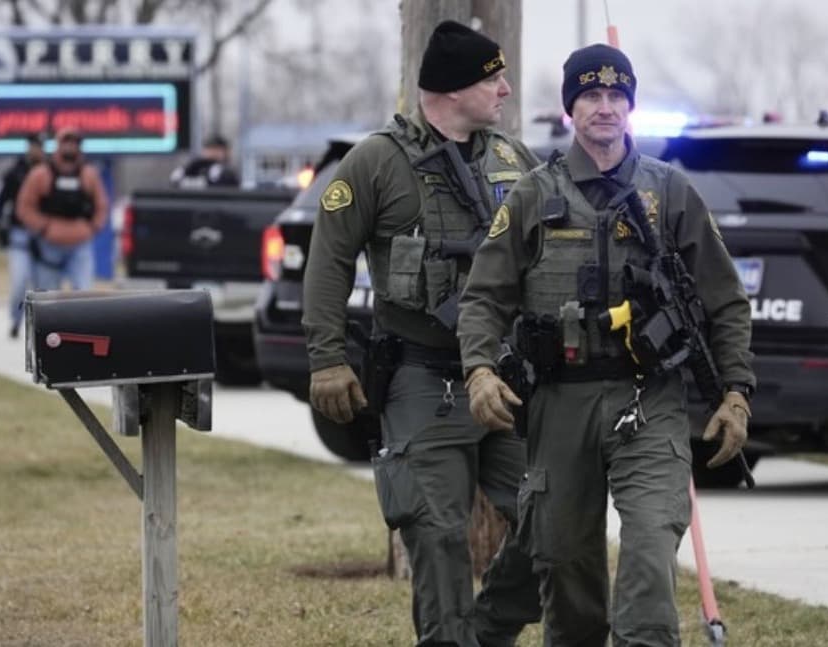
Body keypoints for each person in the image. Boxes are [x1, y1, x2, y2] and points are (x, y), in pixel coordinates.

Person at [457, 44, 755, 646]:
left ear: (630, 107)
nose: (605, 107)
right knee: (566, 567)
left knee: (649, 544)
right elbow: (483, 297)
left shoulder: (668, 192)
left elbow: (725, 300)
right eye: (591, 95)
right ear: (571, 108)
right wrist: (481, 371)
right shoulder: (534, 195)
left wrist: (736, 393)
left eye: (617, 96)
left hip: (648, 401)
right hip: (558, 404)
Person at [302, 20, 543, 647]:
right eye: (494, 79)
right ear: (452, 89)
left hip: (507, 375)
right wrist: (328, 358)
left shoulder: (515, 160)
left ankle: (485, 632)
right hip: (422, 377)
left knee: (552, 519)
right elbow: (328, 260)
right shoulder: (376, 161)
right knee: (436, 534)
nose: (507, 90)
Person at [16, 126, 109, 291]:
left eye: (74, 143)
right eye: (66, 142)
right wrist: (44, 227)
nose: (70, 147)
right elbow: (24, 207)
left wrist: (92, 227)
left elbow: (101, 205)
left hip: (80, 244)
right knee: (48, 295)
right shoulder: (41, 174)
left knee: (83, 293)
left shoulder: (89, 174)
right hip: (49, 245)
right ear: (58, 145)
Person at [0, 132, 45, 338]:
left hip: (44, 236)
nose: (35, 149)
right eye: (32, 145)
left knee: (42, 286)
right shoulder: (15, 173)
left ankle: (41, 327)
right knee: (20, 282)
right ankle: (15, 320)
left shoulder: (50, 171)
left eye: (38, 145)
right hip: (19, 234)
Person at [169, 134, 240, 188]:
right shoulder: (192, 167)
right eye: (210, 149)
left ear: (226, 152)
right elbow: (175, 180)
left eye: (217, 149)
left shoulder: (226, 172)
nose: (213, 153)